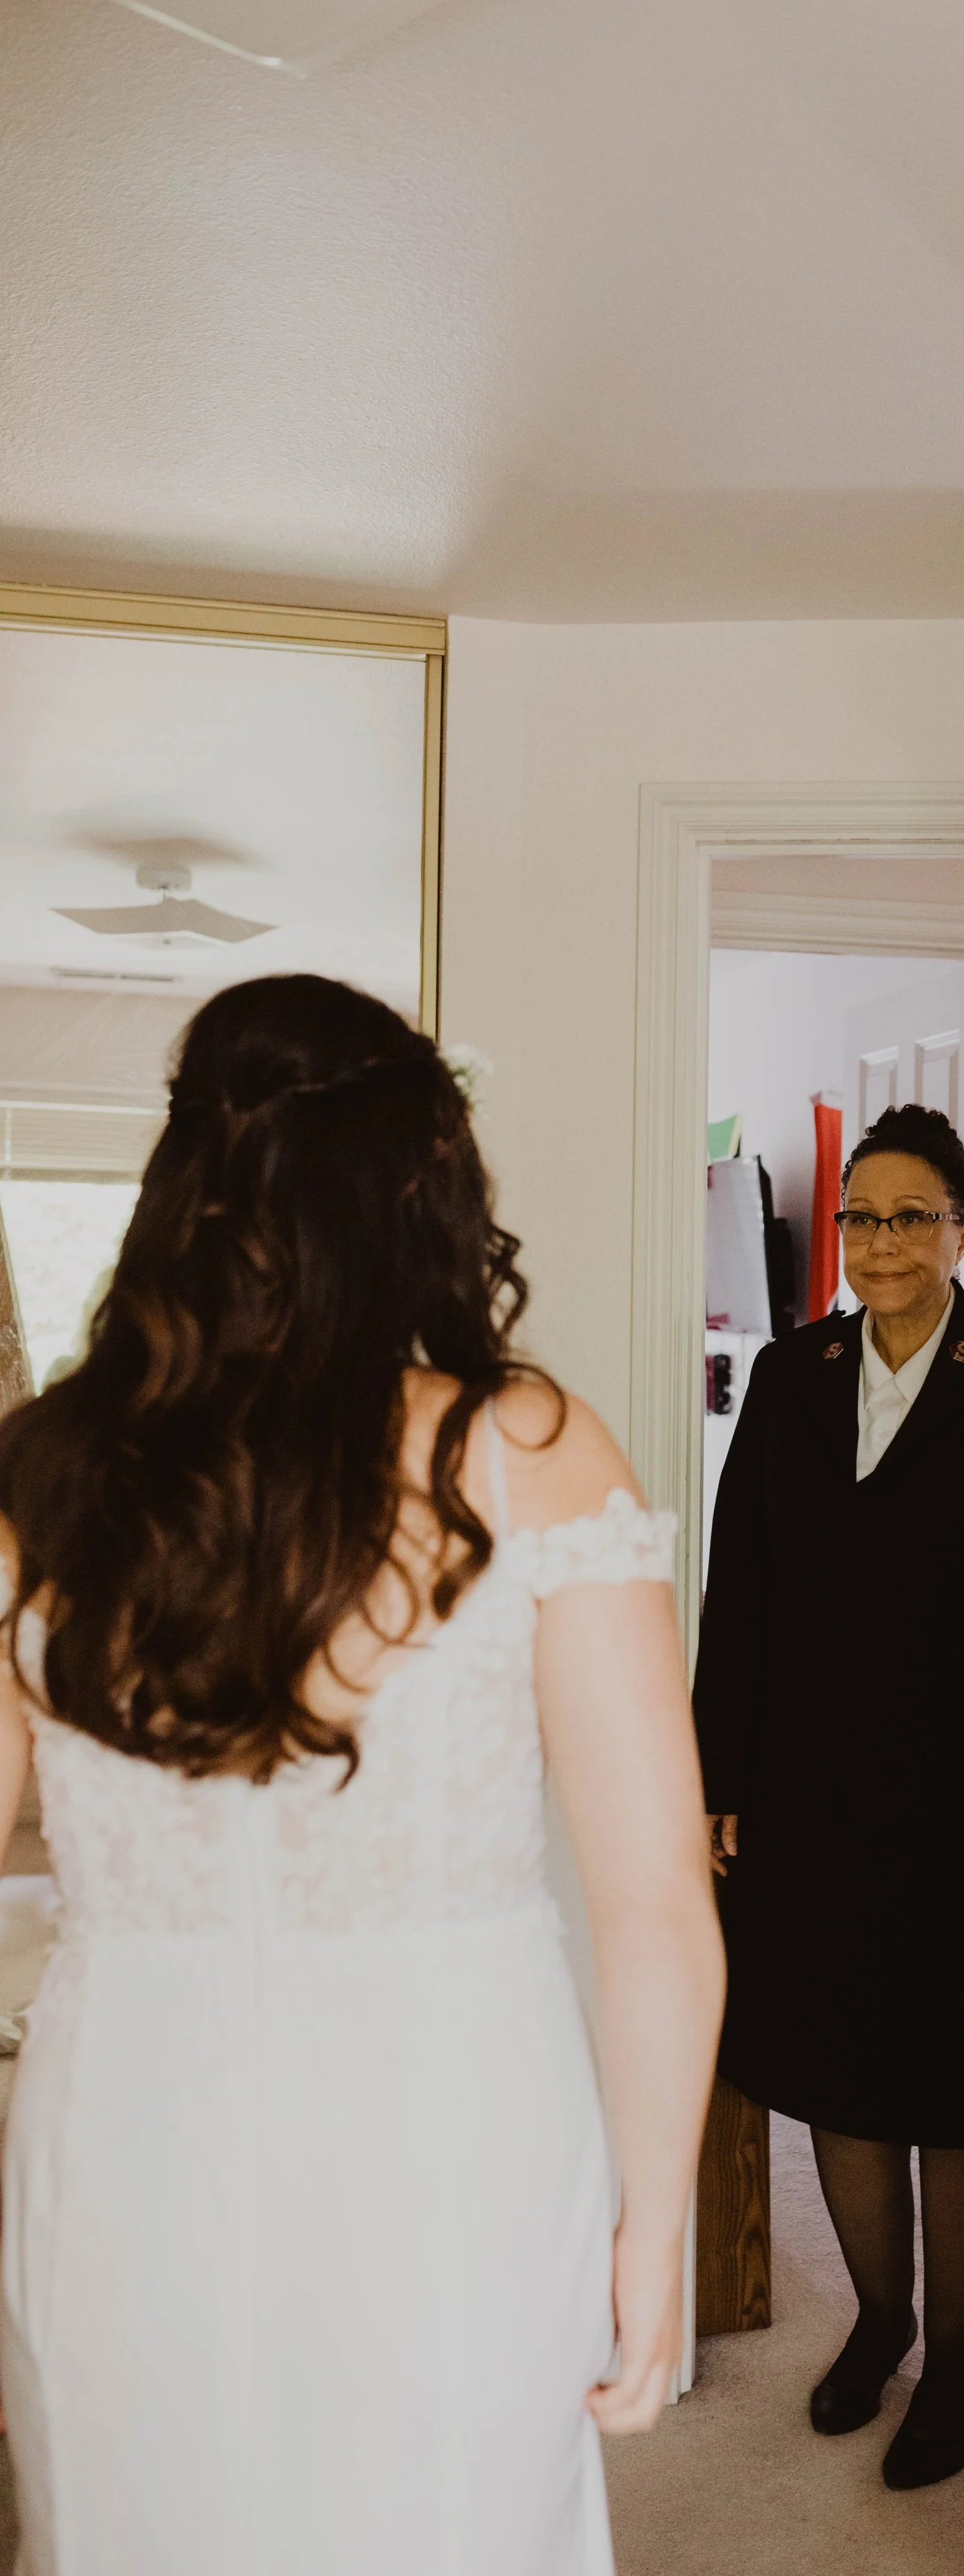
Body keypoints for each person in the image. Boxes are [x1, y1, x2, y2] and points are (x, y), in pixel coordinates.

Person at [0, 973, 724, 2576]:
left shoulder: (46, 1475)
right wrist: (651, 2221)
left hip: (125, 2131)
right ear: (424, 1188)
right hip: (446, 2134)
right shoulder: (526, 1449)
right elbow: (654, 1901)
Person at [695, 1104, 964, 2490]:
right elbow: (742, 1591)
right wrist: (720, 1776)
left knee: (953, 2092)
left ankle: (956, 2355)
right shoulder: (790, 1374)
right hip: (803, 1795)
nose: (880, 1245)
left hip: (960, 1807)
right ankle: (879, 2325)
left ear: (962, 1227)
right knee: (835, 2071)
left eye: (910, 1218)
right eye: (859, 1219)